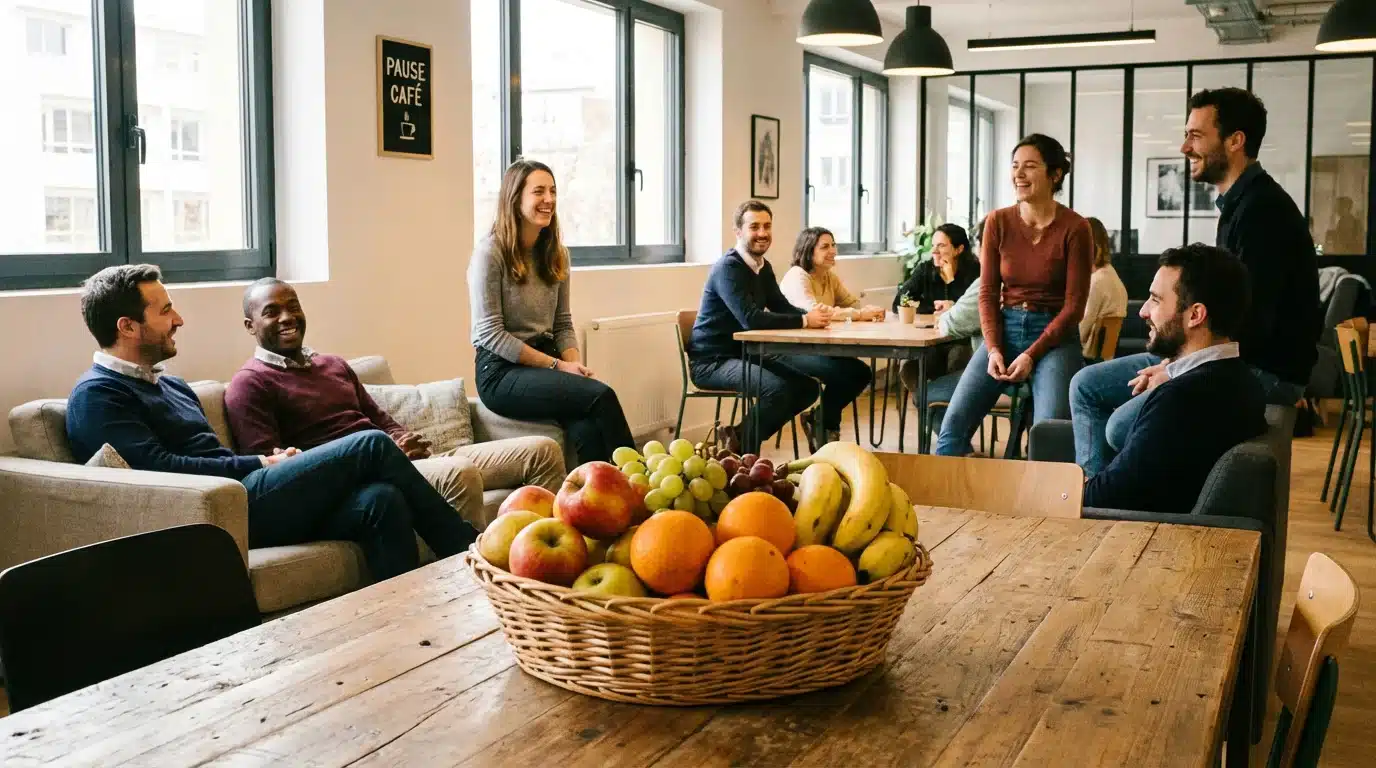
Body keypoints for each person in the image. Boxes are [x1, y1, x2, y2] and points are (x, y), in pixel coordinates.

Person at [65, 265, 478, 582]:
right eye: (166, 309)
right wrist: (259, 464)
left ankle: (402, 623)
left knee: (380, 499)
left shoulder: (171, 385)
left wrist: (270, 461)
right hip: (218, 510)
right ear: (128, 326)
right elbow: (156, 470)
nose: (179, 320)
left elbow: (212, 455)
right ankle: (471, 554)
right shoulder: (99, 394)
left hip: (243, 493)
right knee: (370, 444)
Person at [1070, 88, 1320, 476]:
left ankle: (1108, 502)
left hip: (1262, 371)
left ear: (1236, 141)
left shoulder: (1262, 213)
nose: (1185, 146)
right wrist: (1175, 363)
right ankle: (1101, 501)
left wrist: (1175, 370)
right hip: (1224, 356)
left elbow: (1249, 327)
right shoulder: (1241, 204)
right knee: (1086, 385)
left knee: (1120, 426)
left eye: (1196, 135)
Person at [225, 278, 566, 529]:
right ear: (249, 326)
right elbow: (281, 471)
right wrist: (383, 455)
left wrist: (401, 439)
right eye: (272, 312)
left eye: (292, 306)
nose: (287, 317)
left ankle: (543, 568)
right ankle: (467, 580)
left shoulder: (333, 364)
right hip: (367, 472)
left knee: (542, 450)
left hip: (409, 458)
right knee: (458, 473)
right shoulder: (250, 383)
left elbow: (378, 417)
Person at [934, 134, 1093, 457]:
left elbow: (1074, 307)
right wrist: (993, 349)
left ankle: (1043, 507)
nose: (1018, 174)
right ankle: (941, 507)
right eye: (1015, 166)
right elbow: (988, 293)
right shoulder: (998, 222)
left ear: (1055, 174)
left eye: (1030, 166)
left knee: (1049, 435)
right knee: (952, 429)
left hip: (1055, 338)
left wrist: (1031, 354)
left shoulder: (1076, 228)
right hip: (1004, 331)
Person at [469, 159, 635, 465]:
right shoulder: (489, 254)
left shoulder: (557, 254)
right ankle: (640, 484)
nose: (549, 200)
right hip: (500, 372)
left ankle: (601, 505)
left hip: (545, 362)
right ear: (515, 198)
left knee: (586, 427)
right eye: (539, 192)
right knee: (601, 395)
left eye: (553, 191)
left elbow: (562, 323)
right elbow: (491, 335)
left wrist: (574, 366)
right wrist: (558, 367)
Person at [1084, 243, 1266, 513]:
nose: (1143, 311)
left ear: (1195, 315)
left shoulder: (1181, 398)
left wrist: (1064, 488)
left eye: (1156, 300)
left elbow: (1107, 497)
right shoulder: (1242, 379)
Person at [687, 201, 870, 452]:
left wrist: (811, 315)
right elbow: (750, 318)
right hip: (712, 361)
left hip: (745, 353)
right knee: (777, 391)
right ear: (738, 232)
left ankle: (737, 437)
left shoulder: (763, 267)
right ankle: (742, 451)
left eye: (767, 226)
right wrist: (805, 320)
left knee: (806, 389)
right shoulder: (728, 268)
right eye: (754, 227)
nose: (762, 233)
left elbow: (781, 307)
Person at [779, 226, 886, 322]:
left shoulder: (829, 276)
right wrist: (860, 314)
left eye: (833, 245)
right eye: (825, 247)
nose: (833, 251)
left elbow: (853, 304)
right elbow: (815, 313)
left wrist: (871, 310)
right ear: (808, 252)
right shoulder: (796, 275)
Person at [892, 223, 980, 315]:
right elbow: (898, 303)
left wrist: (951, 281)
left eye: (941, 245)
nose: (934, 251)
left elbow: (978, 310)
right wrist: (935, 307)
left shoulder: (975, 271)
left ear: (959, 249)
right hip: (931, 326)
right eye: (933, 245)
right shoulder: (925, 269)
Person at [1078, 217, 1129, 360]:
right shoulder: (1111, 274)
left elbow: (1080, 332)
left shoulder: (1097, 282)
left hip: (1086, 359)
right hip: (1104, 358)